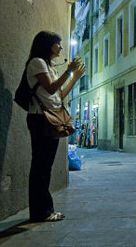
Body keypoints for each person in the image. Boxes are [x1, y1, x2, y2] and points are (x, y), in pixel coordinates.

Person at [26, 31, 85, 222]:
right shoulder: (37, 62)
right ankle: (40, 212)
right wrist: (68, 71)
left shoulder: (50, 66)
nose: (61, 47)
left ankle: (44, 210)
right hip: (40, 119)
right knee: (40, 166)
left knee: (45, 166)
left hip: (50, 119)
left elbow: (59, 95)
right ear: (48, 45)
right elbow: (51, 88)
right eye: (58, 44)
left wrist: (75, 77)